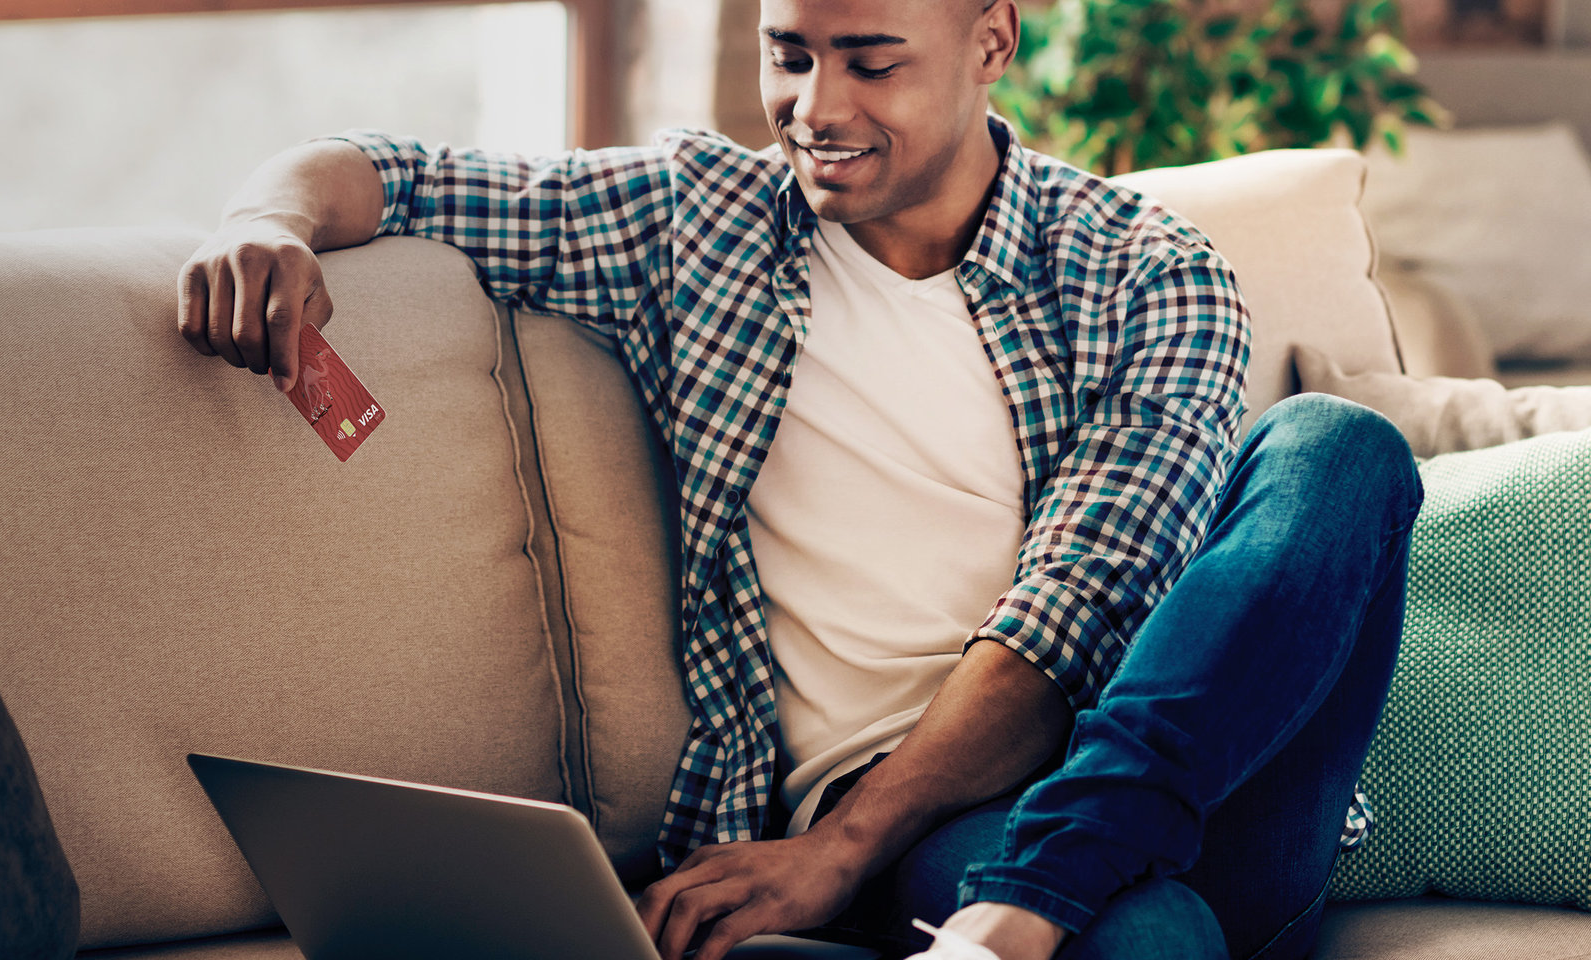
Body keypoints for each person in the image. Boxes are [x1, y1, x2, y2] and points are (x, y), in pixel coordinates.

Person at [176, 0, 1424, 958]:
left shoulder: (1145, 273)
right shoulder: (697, 221)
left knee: (1337, 447)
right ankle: (1025, 907)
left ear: (991, 40)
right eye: (788, 54)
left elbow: (1080, 609)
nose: (814, 105)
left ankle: (1029, 902)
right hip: (946, 836)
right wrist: (264, 220)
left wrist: (837, 855)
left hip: (1201, 789)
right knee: (1143, 940)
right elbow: (392, 172)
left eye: (870, 61)